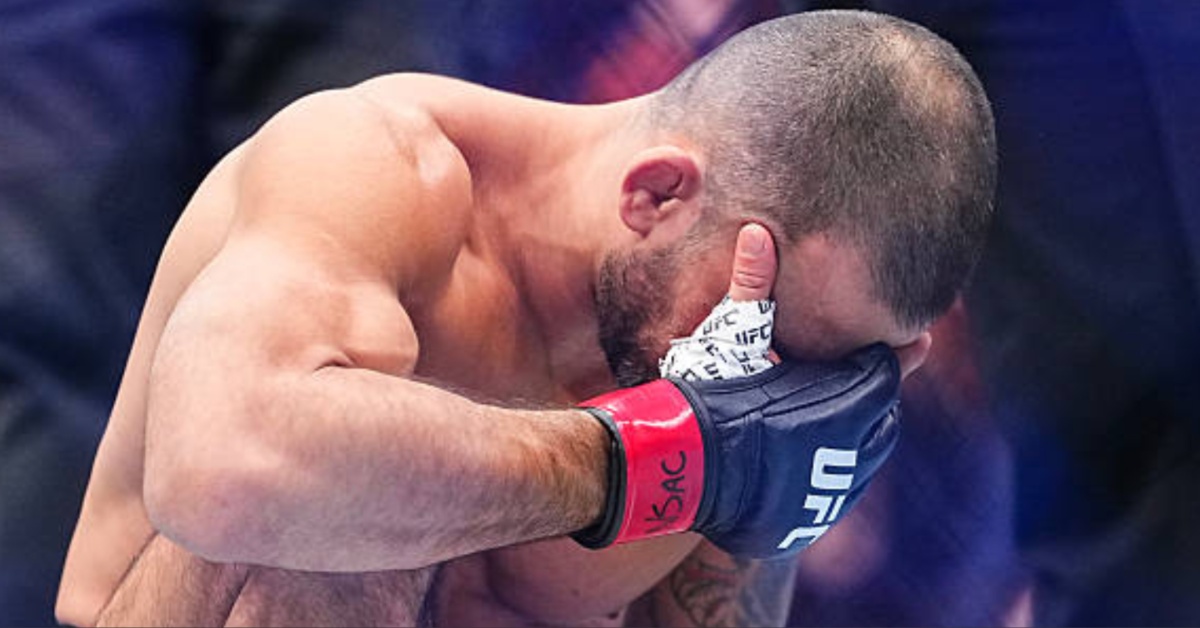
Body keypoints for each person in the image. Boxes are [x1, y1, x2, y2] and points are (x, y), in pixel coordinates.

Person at [55, 10, 995, 627]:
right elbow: (222, 473)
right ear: (658, 194)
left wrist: (779, 458)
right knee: (356, 472)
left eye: (816, 371)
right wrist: (635, 463)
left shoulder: (751, 379)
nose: (760, 374)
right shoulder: (373, 166)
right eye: (764, 327)